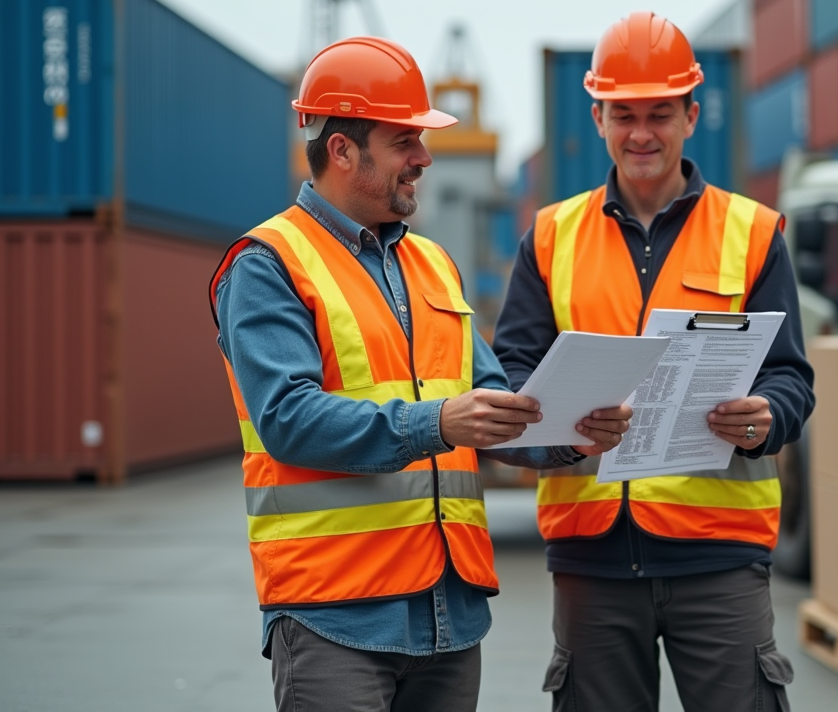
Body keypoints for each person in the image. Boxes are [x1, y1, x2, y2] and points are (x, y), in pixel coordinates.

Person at [209, 36, 631, 712]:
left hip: (448, 614)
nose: (424, 158)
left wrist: (573, 433)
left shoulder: (432, 264)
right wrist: (437, 422)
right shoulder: (268, 264)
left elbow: (496, 410)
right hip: (334, 613)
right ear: (342, 149)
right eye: (405, 140)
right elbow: (287, 418)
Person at [492, 12, 816, 712]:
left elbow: (791, 377)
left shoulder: (753, 233)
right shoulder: (549, 239)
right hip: (592, 562)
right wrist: (563, 435)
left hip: (720, 558)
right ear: (599, 118)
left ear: (692, 115)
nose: (641, 132)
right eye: (624, 114)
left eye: (660, 113)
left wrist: (768, 418)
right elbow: (508, 383)